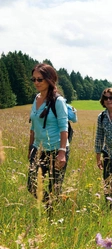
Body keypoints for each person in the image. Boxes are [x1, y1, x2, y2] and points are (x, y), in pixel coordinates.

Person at [27, 63, 69, 209]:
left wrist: (62, 152)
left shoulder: (59, 101)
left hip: (56, 150)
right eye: (34, 79)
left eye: (40, 79)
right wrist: (30, 148)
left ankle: (52, 215)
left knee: (54, 189)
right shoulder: (36, 98)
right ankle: (48, 207)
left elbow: (64, 129)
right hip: (38, 149)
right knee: (31, 185)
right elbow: (33, 125)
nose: (36, 83)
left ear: (50, 80)